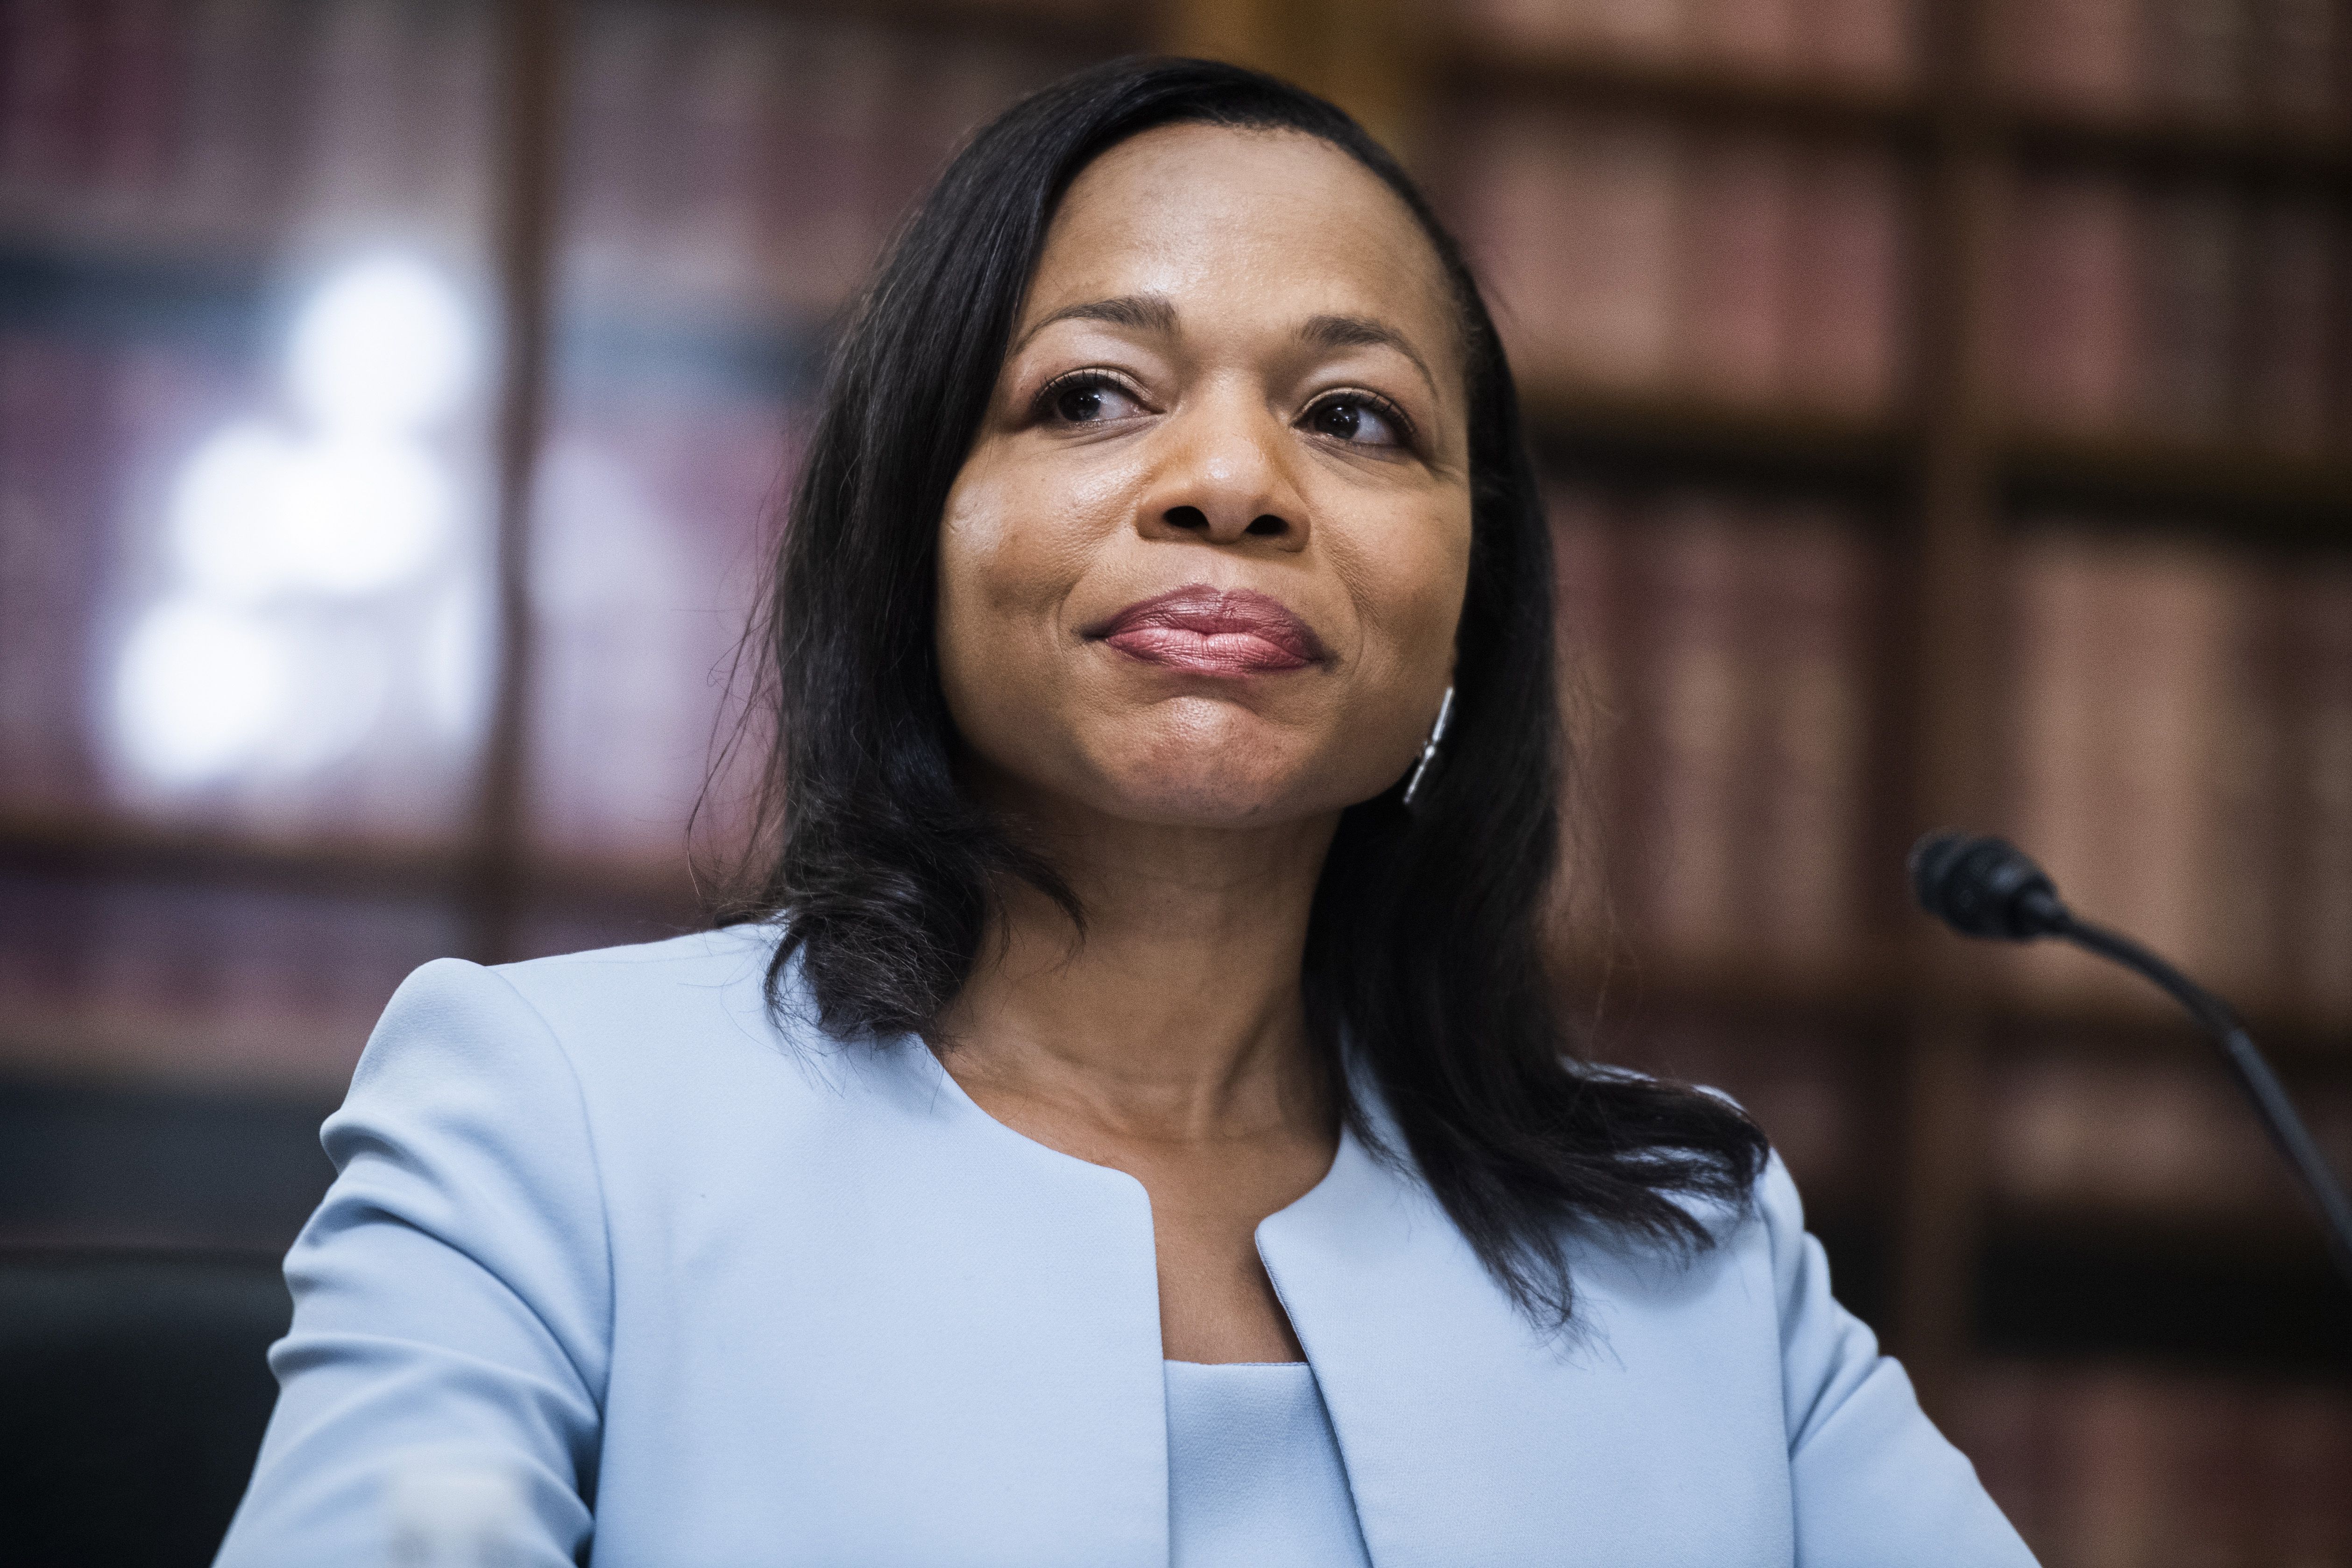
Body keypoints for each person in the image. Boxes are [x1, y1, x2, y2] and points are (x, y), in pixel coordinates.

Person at [215, 57, 2035, 1567]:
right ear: (912, 533)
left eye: (1354, 417)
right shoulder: (558, 1129)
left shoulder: (1692, 1255)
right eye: (1090, 393)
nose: (1232, 482)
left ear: (1470, 612)